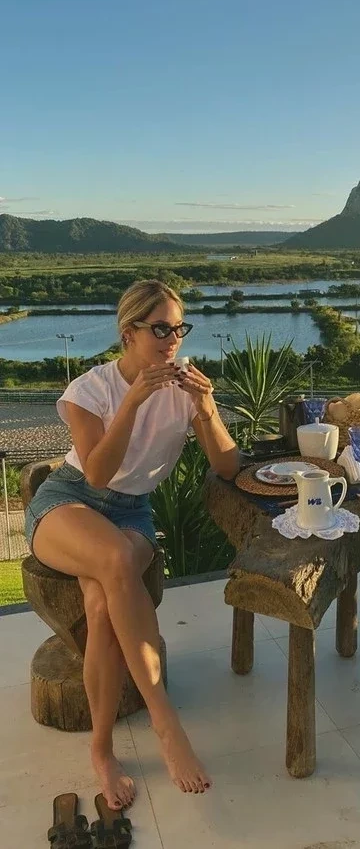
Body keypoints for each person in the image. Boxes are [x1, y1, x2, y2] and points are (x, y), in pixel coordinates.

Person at [25, 279, 240, 810]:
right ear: (129, 333)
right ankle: (166, 723)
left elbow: (228, 466)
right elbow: (96, 474)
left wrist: (206, 407)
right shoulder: (89, 390)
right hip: (70, 502)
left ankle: (101, 751)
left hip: (133, 512)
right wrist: (134, 400)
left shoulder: (184, 389)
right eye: (160, 329)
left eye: (179, 328)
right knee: (117, 559)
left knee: (101, 604)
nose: (172, 340)